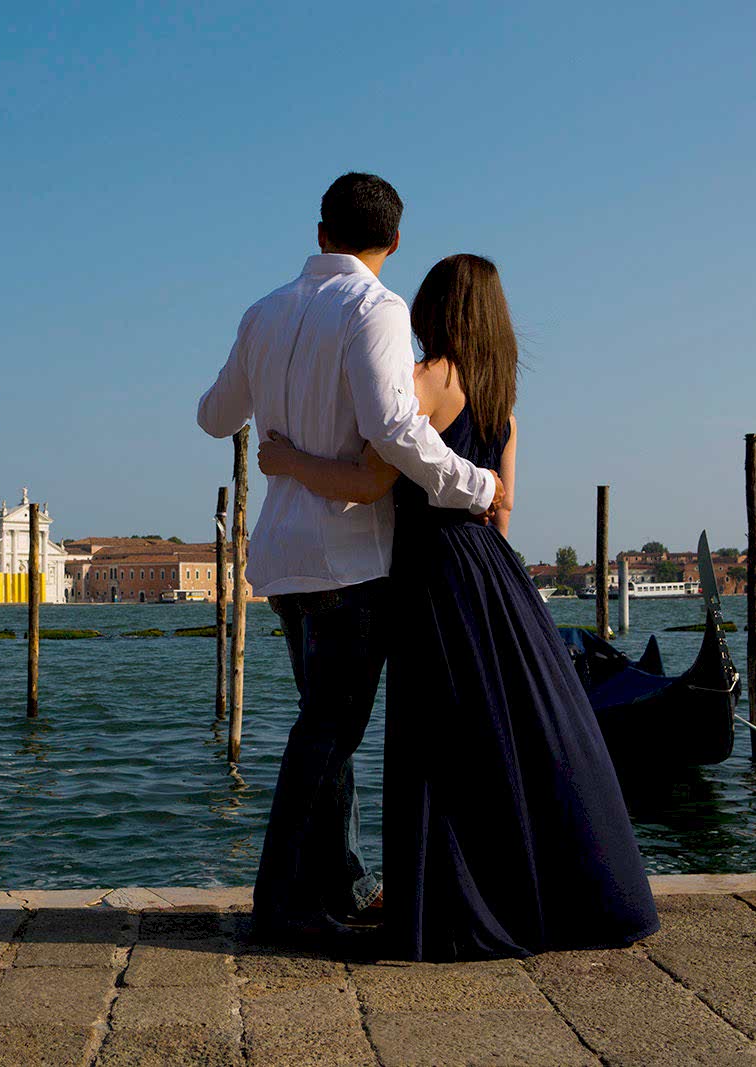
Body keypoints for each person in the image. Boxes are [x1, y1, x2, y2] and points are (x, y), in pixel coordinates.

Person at [256, 253, 659, 960]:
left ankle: (441, 906)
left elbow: (369, 478)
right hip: (493, 574)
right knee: (504, 739)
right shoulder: (501, 397)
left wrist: (286, 460)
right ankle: (533, 892)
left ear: (437, 309)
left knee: (438, 743)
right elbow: (502, 508)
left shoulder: (427, 381)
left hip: (432, 573)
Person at [196, 173, 503, 947]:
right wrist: (476, 484)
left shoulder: (263, 312)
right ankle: (284, 901)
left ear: (321, 231)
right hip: (349, 558)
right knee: (329, 732)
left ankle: (336, 883)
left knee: (325, 729)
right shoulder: (378, 308)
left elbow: (213, 417)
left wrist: (276, 410)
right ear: (392, 244)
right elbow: (395, 432)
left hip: (283, 562)